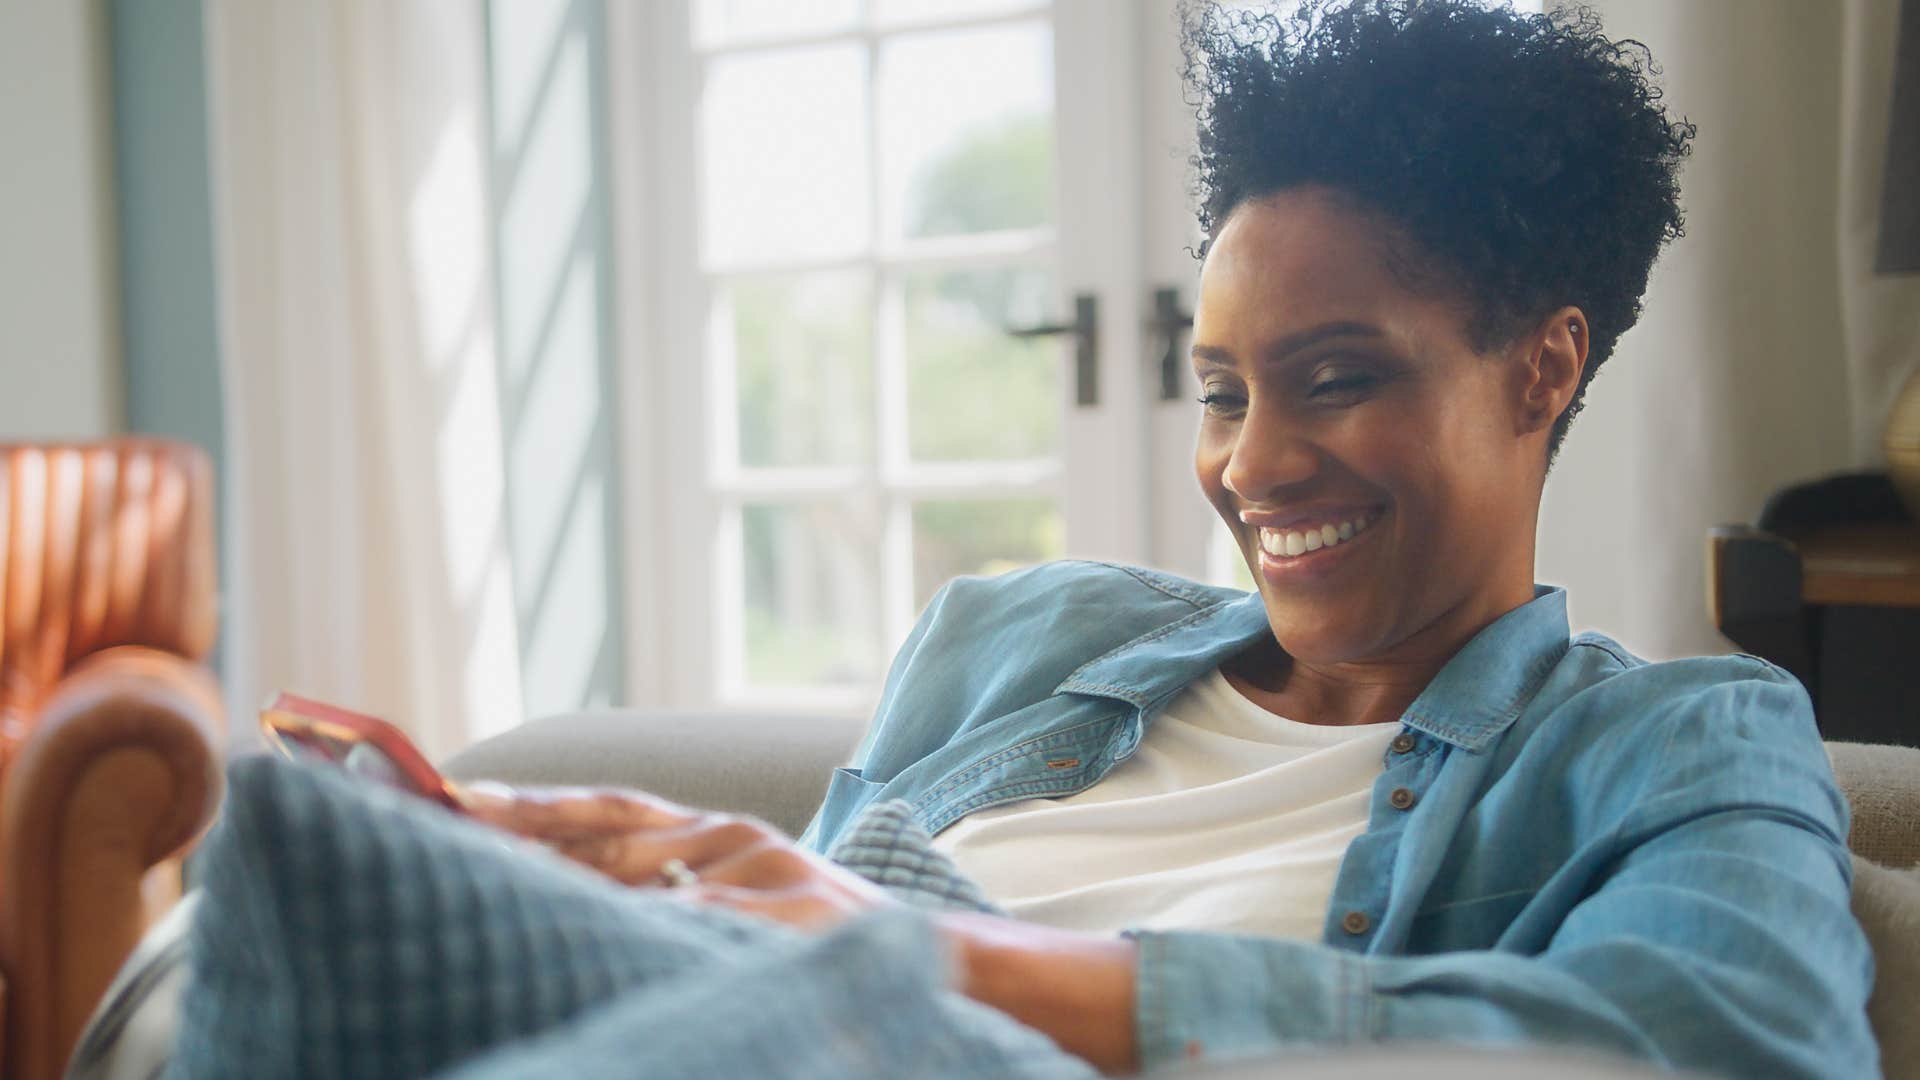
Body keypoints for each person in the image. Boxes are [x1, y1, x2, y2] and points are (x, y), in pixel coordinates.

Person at [469, 1, 1877, 1075]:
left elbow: (1740, 1037)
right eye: (1220, 393)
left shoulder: (1674, 740)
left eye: (1339, 377)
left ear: (1541, 369)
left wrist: (957, 963)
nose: (1250, 463)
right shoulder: (1014, 639)